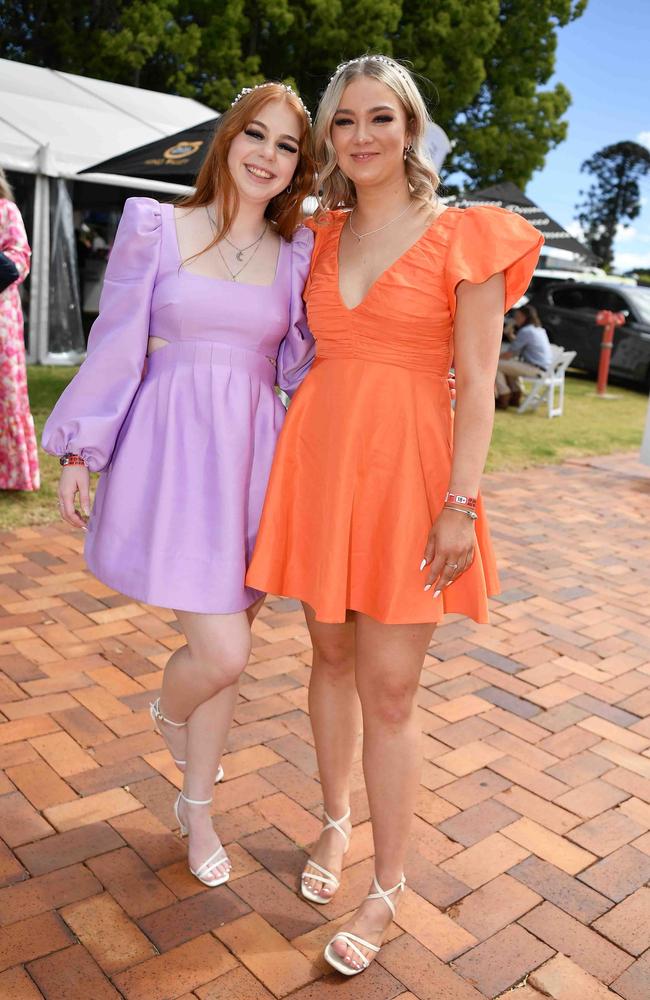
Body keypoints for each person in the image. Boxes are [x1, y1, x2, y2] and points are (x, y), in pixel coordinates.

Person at [246, 54, 543, 975]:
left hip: (414, 479)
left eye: (381, 117)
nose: (361, 135)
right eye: (343, 121)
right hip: (322, 466)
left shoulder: (469, 235)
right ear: (329, 137)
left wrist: (462, 503)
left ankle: (388, 885)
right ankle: (333, 824)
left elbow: (483, 387)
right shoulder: (316, 234)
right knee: (327, 656)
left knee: (392, 690)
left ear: (411, 128)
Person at [42, 82, 315, 888]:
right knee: (221, 650)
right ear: (228, 138)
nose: (267, 154)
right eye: (256, 135)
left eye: (288, 145)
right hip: (172, 454)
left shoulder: (295, 251)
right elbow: (118, 343)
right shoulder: (156, 226)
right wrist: (79, 448)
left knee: (225, 648)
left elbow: (304, 361)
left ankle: (196, 811)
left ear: (299, 164)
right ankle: (171, 713)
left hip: (250, 464)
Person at [0, 168, 40, 491]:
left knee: (7, 392)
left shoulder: (6, 210)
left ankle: (11, 474)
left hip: (2, 316)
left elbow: (20, 260)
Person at [495, 303, 552, 408]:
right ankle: (516, 395)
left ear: (524, 317)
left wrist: (492, 359)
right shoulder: (538, 329)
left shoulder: (526, 331)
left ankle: (504, 395)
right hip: (543, 369)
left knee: (496, 366)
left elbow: (509, 354)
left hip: (535, 368)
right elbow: (519, 346)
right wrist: (510, 335)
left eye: (517, 317)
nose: (515, 320)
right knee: (508, 366)